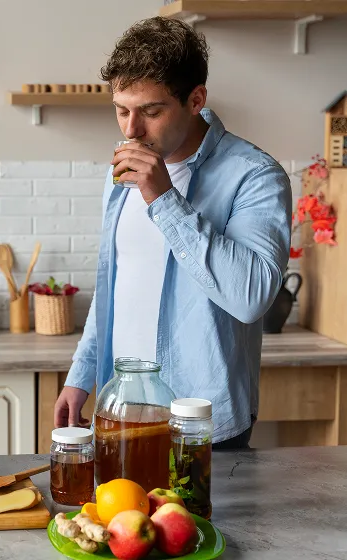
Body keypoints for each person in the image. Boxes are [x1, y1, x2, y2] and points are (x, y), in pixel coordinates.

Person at [54, 17, 291, 449]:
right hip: (121, 411)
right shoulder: (118, 175)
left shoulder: (255, 176)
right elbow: (115, 286)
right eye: (122, 110)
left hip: (202, 424)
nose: (131, 130)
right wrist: (81, 374)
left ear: (195, 99)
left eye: (151, 111)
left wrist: (164, 199)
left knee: (203, 521)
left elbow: (252, 297)